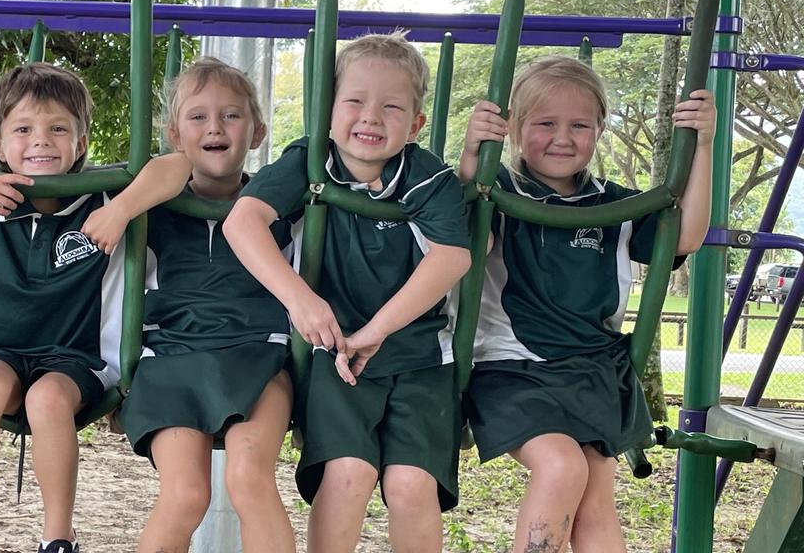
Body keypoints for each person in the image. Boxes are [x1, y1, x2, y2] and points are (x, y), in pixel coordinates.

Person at [0, 62, 189, 553]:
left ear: (82, 140)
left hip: (77, 359)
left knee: (46, 401)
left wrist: (122, 209)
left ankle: (57, 537)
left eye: (58, 128)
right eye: (23, 129)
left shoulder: (101, 196)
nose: (41, 141)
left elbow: (178, 165)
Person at [225, 33, 472, 553]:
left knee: (411, 487)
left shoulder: (428, 177)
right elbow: (242, 222)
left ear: (416, 125)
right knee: (348, 475)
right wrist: (300, 299)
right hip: (333, 353)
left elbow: (452, 256)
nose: (371, 117)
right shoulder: (309, 163)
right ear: (329, 110)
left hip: (421, 355)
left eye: (391, 107)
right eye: (355, 101)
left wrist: (378, 330)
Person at [458, 55, 714, 553]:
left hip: (593, 371)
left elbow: (686, 236)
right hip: (512, 368)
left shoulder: (614, 204)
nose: (562, 137)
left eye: (579, 125)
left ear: (599, 130)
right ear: (513, 129)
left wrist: (702, 146)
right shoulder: (498, 189)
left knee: (596, 497)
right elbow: (465, 242)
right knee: (560, 466)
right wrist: (474, 155)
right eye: (545, 123)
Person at [79, 57, 295, 553]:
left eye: (231, 116)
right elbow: (172, 169)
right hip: (172, 357)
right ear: (175, 135)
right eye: (198, 117)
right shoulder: (158, 197)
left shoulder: (276, 201)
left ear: (258, 132)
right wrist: (122, 209)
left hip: (257, 353)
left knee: (249, 479)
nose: (215, 127)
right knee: (184, 494)